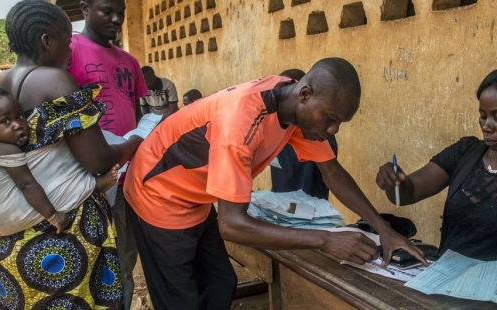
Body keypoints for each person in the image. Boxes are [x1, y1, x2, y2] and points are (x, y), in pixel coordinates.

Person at [124, 57, 427, 309]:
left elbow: (331, 172)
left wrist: (383, 229)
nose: (332, 130)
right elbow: (231, 224)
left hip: (193, 199)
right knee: (181, 300)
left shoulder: (290, 104)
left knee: (220, 283)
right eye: (330, 119)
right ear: (305, 94)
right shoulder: (240, 126)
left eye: (339, 123)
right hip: (157, 197)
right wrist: (326, 240)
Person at [0, 0, 142, 308]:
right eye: (66, 41)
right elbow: (99, 160)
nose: (70, 50)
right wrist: (133, 141)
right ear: (47, 41)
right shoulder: (55, 81)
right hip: (58, 233)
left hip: (5, 245)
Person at [375, 59, 497, 306]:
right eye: (482, 115)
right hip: (452, 291)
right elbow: (409, 192)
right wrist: (394, 182)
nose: (486, 126)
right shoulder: (464, 153)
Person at [67, 0, 148, 307]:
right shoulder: (68, 51)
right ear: (85, 8)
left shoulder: (129, 61)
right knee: (88, 265)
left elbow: (136, 114)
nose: (116, 19)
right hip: (88, 180)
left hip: (127, 178)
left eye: (121, 13)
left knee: (124, 261)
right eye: (107, 11)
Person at [0, 86, 119, 234]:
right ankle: (92, 186)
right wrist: (53, 215)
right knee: (59, 189)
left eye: (20, 116)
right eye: (5, 121)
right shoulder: (7, 150)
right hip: (4, 220)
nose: (17, 125)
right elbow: (26, 185)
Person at [271, 68, 338, 199]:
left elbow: (332, 172)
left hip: (312, 208)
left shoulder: (317, 131)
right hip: (280, 207)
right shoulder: (275, 126)